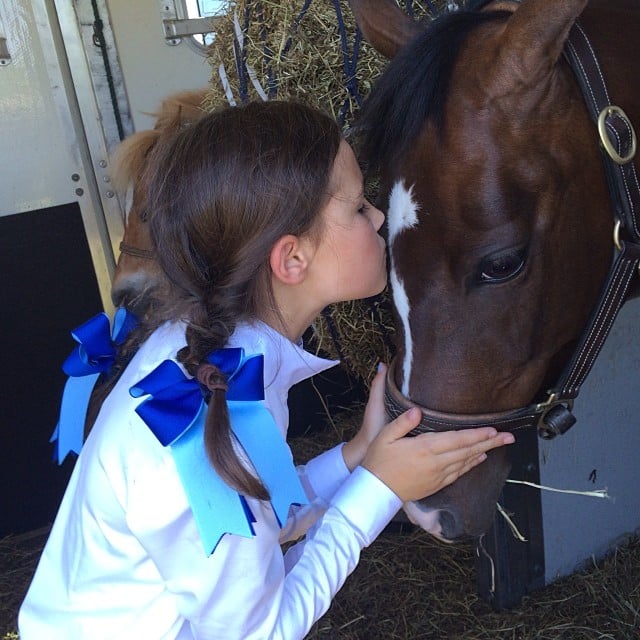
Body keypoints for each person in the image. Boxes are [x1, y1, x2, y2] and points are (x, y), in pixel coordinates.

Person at [19, 100, 514, 639]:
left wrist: (357, 456)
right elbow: (265, 631)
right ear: (291, 259)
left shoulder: (217, 359)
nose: (378, 217)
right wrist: (379, 488)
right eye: (356, 207)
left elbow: (259, 518)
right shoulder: (207, 418)